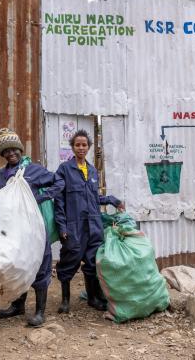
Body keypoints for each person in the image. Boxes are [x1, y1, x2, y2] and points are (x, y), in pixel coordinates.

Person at [0, 128, 64, 327]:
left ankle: (39, 312)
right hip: (13, 229)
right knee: (16, 265)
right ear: (2, 154)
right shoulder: (1, 176)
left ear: (20, 149)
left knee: (40, 264)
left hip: (34, 228)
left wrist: (42, 196)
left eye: (14, 149)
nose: (11, 153)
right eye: (6, 151)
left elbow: (59, 181)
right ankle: (18, 305)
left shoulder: (33, 170)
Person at [54, 129, 125, 313]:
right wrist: (62, 226)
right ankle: (65, 301)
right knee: (69, 262)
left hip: (93, 225)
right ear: (72, 147)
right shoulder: (64, 170)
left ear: (89, 147)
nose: (81, 148)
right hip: (74, 226)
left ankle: (93, 298)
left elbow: (94, 198)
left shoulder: (93, 170)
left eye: (84, 145)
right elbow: (59, 201)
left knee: (93, 263)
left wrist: (112, 200)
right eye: (77, 145)